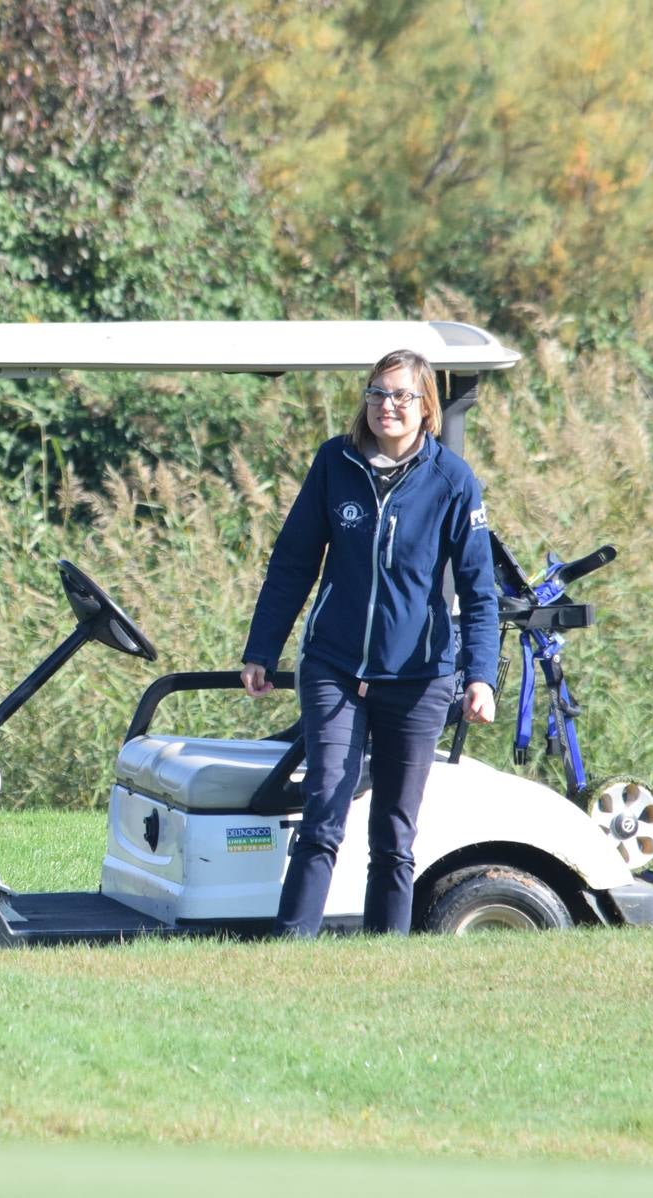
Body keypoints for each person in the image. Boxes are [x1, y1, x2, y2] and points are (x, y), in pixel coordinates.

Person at [240, 349, 499, 936]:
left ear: (425, 405)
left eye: (401, 395)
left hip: (419, 678)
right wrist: (262, 650)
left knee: (394, 830)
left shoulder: (453, 481)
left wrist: (480, 676)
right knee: (324, 809)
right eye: (378, 393)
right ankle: (291, 945)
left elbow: (479, 592)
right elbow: (292, 563)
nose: (387, 406)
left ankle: (388, 954)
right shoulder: (335, 462)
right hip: (333, 666)